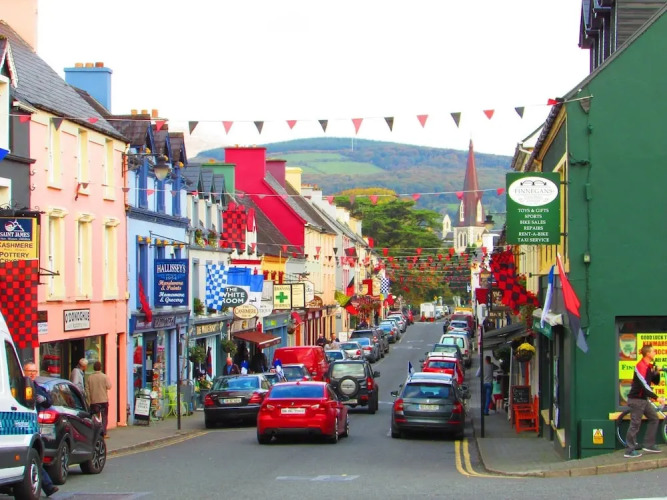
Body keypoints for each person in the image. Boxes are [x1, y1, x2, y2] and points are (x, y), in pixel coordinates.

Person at [24, 362, 59, 497]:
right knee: (34, 457)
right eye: (29, 371)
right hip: (22, 424)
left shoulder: (38, 387)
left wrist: (43, 399)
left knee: (35, 457)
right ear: (24, 371)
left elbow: (49, 401)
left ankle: (47, 486)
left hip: (33, 425)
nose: (32, 374)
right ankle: (47, 486)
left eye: (34, 371)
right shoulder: (21, 386)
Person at [624, 343, 663, 458]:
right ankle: (629, 450)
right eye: (653, 351)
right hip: (636, 400)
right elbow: (644, 385)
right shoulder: (640, 366)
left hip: (644, 400)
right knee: (635, 425)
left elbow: (655, 382)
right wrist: (657, 397)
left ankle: (649, 445)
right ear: (648, 353)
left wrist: (657, 372)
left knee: (654, 418)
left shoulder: (649, 366)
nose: (655, 352)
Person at [85, 361, 112, 437]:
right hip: (103, 400)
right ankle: (103, 433)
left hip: (94, 401)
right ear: (101, 368)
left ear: (94, 368)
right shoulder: (104, 377)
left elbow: (87, 389)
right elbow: (109, 386)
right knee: (104, 417)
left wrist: (89, 399)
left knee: (95, 418)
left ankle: (95, 433)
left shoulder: (90, 377)